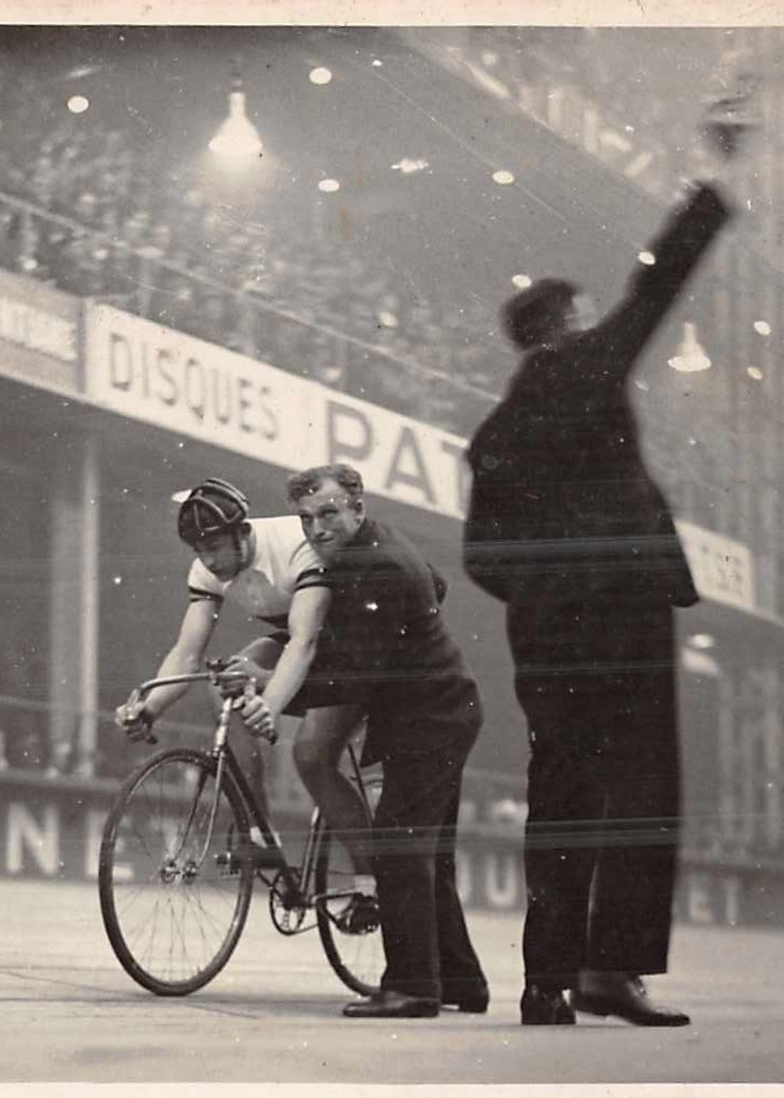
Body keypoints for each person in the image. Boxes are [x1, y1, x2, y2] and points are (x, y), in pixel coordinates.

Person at [461, 91, 757, 1026]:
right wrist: (713, 179)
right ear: (567, 325)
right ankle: (610, 970)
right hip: (621, 615)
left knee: (561, 794)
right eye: (588, 319)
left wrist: (547, 593)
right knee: (639, 791)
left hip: (547, 637)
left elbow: (482, 557)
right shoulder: (584, 366)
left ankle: (547, 980)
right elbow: (658, 283)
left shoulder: (495, 433)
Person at [237, 464, 488, 1019]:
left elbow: (356, 679)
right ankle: (461, 981)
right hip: (444, 709)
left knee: (399, 843)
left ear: (357, 506)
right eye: (306, 519)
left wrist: (269, 688)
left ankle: (413, 988)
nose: (317, 529)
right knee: (427, 854)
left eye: (328, 514)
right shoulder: (378, 546)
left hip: (432, 718)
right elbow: (437, 586)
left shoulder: (370, 566)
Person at [113, 478, 379, 929]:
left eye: (216, 546)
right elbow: (186, 652)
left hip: (346, 650)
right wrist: (151, 706)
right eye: (200, 551)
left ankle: (371, 884)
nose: (210, 561)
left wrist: (270, 703)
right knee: (231, 680)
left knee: (312, 756)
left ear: (244, 533)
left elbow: (305, 642)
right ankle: (259, 832)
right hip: (294, 641)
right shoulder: (208, 570)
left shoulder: (295, 546)